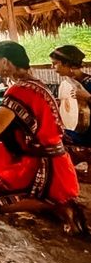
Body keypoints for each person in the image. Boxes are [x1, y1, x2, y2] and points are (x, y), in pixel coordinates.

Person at [0, 41, 86, 236]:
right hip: (60, 165)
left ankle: (54, 205)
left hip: (45, 168)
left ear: (5, 62)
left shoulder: (19, 90)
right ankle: (58, 204)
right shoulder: (37, 85)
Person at [50, 45, 91, 182]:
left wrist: (88, 97)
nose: (52, 67)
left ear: (67, 64)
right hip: (76, 129)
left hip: (87, 133)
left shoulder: (89, 82)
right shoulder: (66, 85)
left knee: (55, 138)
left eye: (55, 64)